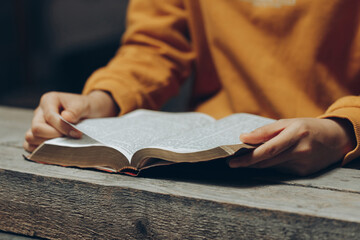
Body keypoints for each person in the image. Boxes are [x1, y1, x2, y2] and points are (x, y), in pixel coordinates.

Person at [24, 0, 359, 176]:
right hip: (209, 160)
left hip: (340, 166)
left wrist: (342, 131)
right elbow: (155, 45)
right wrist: (101, 99)